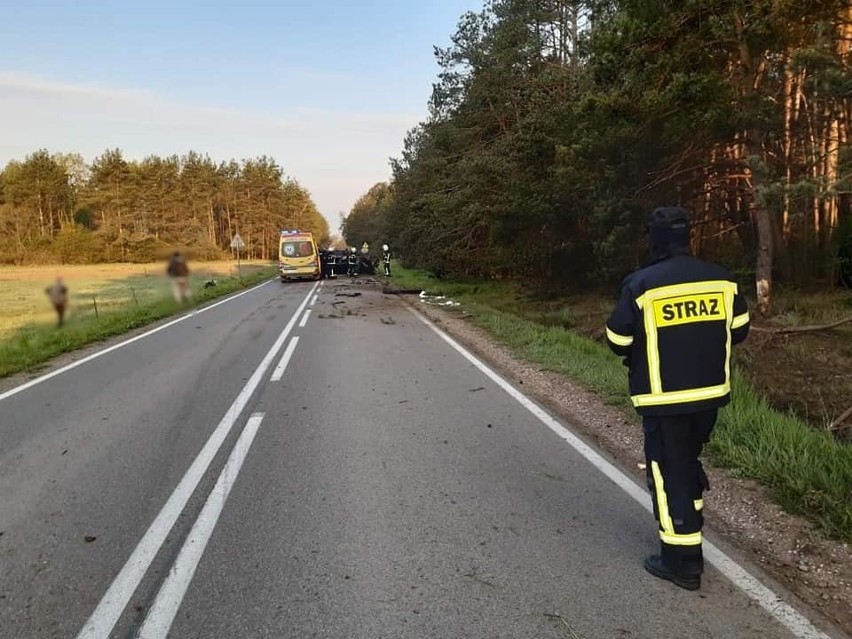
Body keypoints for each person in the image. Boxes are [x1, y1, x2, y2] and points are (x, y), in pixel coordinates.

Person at [605, 206, 750, 591]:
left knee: (668, 472)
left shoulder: (641, 284)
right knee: (686, 461)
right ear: (687, 237)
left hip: (664, 397)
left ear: (653, 239)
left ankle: (681, 561)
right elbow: (739, 330)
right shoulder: (722, 280)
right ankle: (691, 521)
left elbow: (617, 338)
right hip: (710, 396)